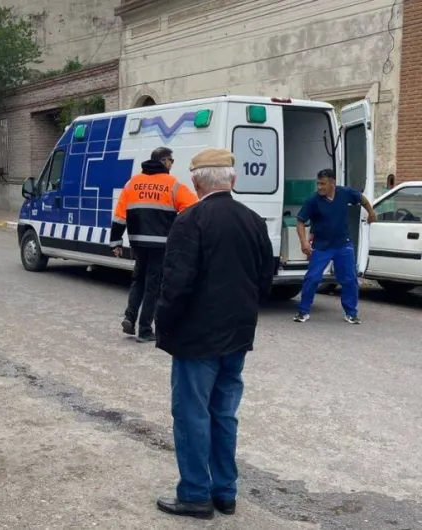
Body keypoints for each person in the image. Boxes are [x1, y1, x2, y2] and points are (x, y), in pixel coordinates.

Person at [154, 148, 274, 520]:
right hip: (236, 335)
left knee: (192, 414)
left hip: (197, 339)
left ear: (195, 182)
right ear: (232, 180)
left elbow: (176, 283)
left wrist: (164, 326)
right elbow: (265, 279)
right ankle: (225, 492)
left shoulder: (191, 221)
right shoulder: (253, 220)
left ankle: (194, 494)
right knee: (224, 413)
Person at [109, 147, 198, 343]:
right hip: (161, 244)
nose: (172, 164)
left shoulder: (132, 184)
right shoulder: (172, 184)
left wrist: (115, 242)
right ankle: (145, 329)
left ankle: (129, 317)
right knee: (153, 286)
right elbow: (193, 206)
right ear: (164, 161)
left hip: (138, 243)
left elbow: (119, 214)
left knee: (138, 280)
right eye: (171, 161)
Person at [293, 169, 377, 324]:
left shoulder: (344, 193)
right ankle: (303, 311)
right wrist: (304, 242)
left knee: (349, 279)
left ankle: (351, 313)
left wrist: (371, 212)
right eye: (318, 183)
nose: (319, 187)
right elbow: (300, 221)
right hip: (322, 246)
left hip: (343, 244)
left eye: (322, 184)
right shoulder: (313, 200)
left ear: (332, 183)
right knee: (312, 278)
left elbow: (361, 199)